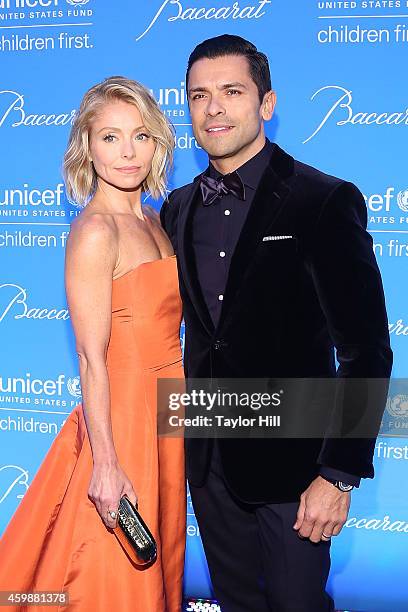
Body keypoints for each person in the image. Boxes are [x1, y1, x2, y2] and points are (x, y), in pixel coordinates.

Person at [160, 35, 393, 612]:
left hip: (297, 473)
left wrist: (338, 474)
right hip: (210, 463)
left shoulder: (323, 200)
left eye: (231, 91)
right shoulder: (177, 207)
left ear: (266, 103)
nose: (213, 108)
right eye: (199, 95)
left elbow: (366, 351)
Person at [0, 76, 186, 612]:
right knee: (111, 573)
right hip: (123, 417)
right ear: (86, 146)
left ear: (157, 142)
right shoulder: (95, 231)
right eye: (109, 137)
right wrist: (105, 460)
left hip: (166, 415)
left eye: (140, 135)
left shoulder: (154, 220)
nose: (127, 151)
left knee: (160, 555)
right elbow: (90, 356)